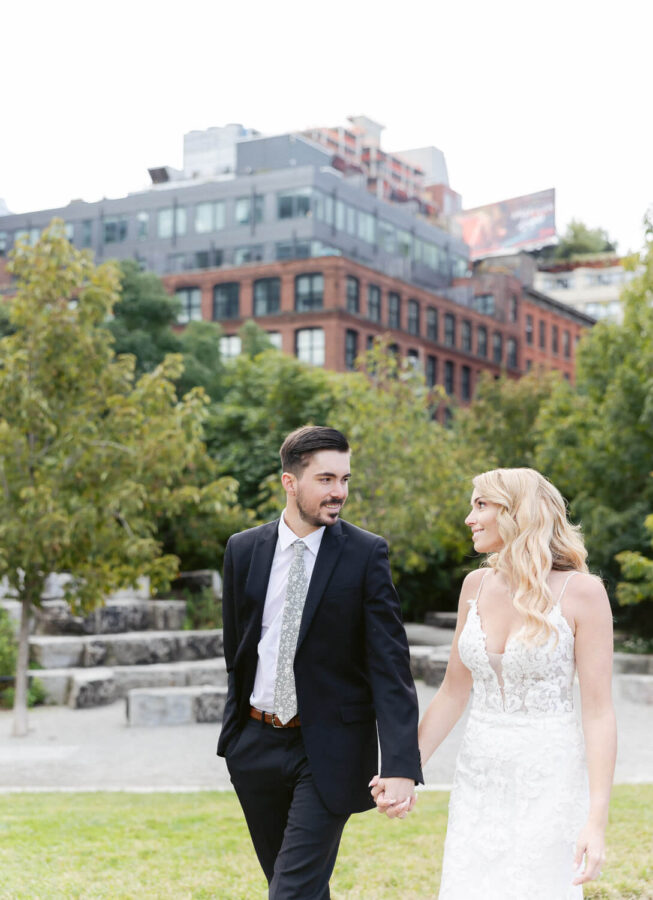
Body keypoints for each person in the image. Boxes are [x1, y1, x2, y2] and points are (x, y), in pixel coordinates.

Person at [372, 467, 616, 899]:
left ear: (517, 513)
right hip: (480, 773)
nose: (469, 518)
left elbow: (598, 713)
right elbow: (452, 691)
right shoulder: (475, 585)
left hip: (548, 774)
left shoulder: (583, 593)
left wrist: (595, 821)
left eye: (481, 505)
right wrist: (404, 768)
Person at [217, 425, 422, 898]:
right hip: (254, 745)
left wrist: (400, 763)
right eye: (326, 480)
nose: (340, 492)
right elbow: (239, 649)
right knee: (297, 886)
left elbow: (390, 666)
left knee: (289, 892)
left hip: (327, 751)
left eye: (345, 480)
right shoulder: (243, 550)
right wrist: (235, 737)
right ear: (290, 482)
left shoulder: (367, 554)